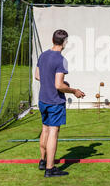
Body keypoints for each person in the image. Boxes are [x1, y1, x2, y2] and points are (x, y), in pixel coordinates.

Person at [35, 29, 85, 177]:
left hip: (43, 100)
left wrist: (57, 82)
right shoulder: (61, 60)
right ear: (65, 42)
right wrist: (74, 90)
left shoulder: (43, 55)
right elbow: (59, 85)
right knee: (53, 133)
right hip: (54, 101)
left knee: (45, 129)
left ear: (52, 39)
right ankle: (50, 169)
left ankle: (42, 161)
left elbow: (38, 76)